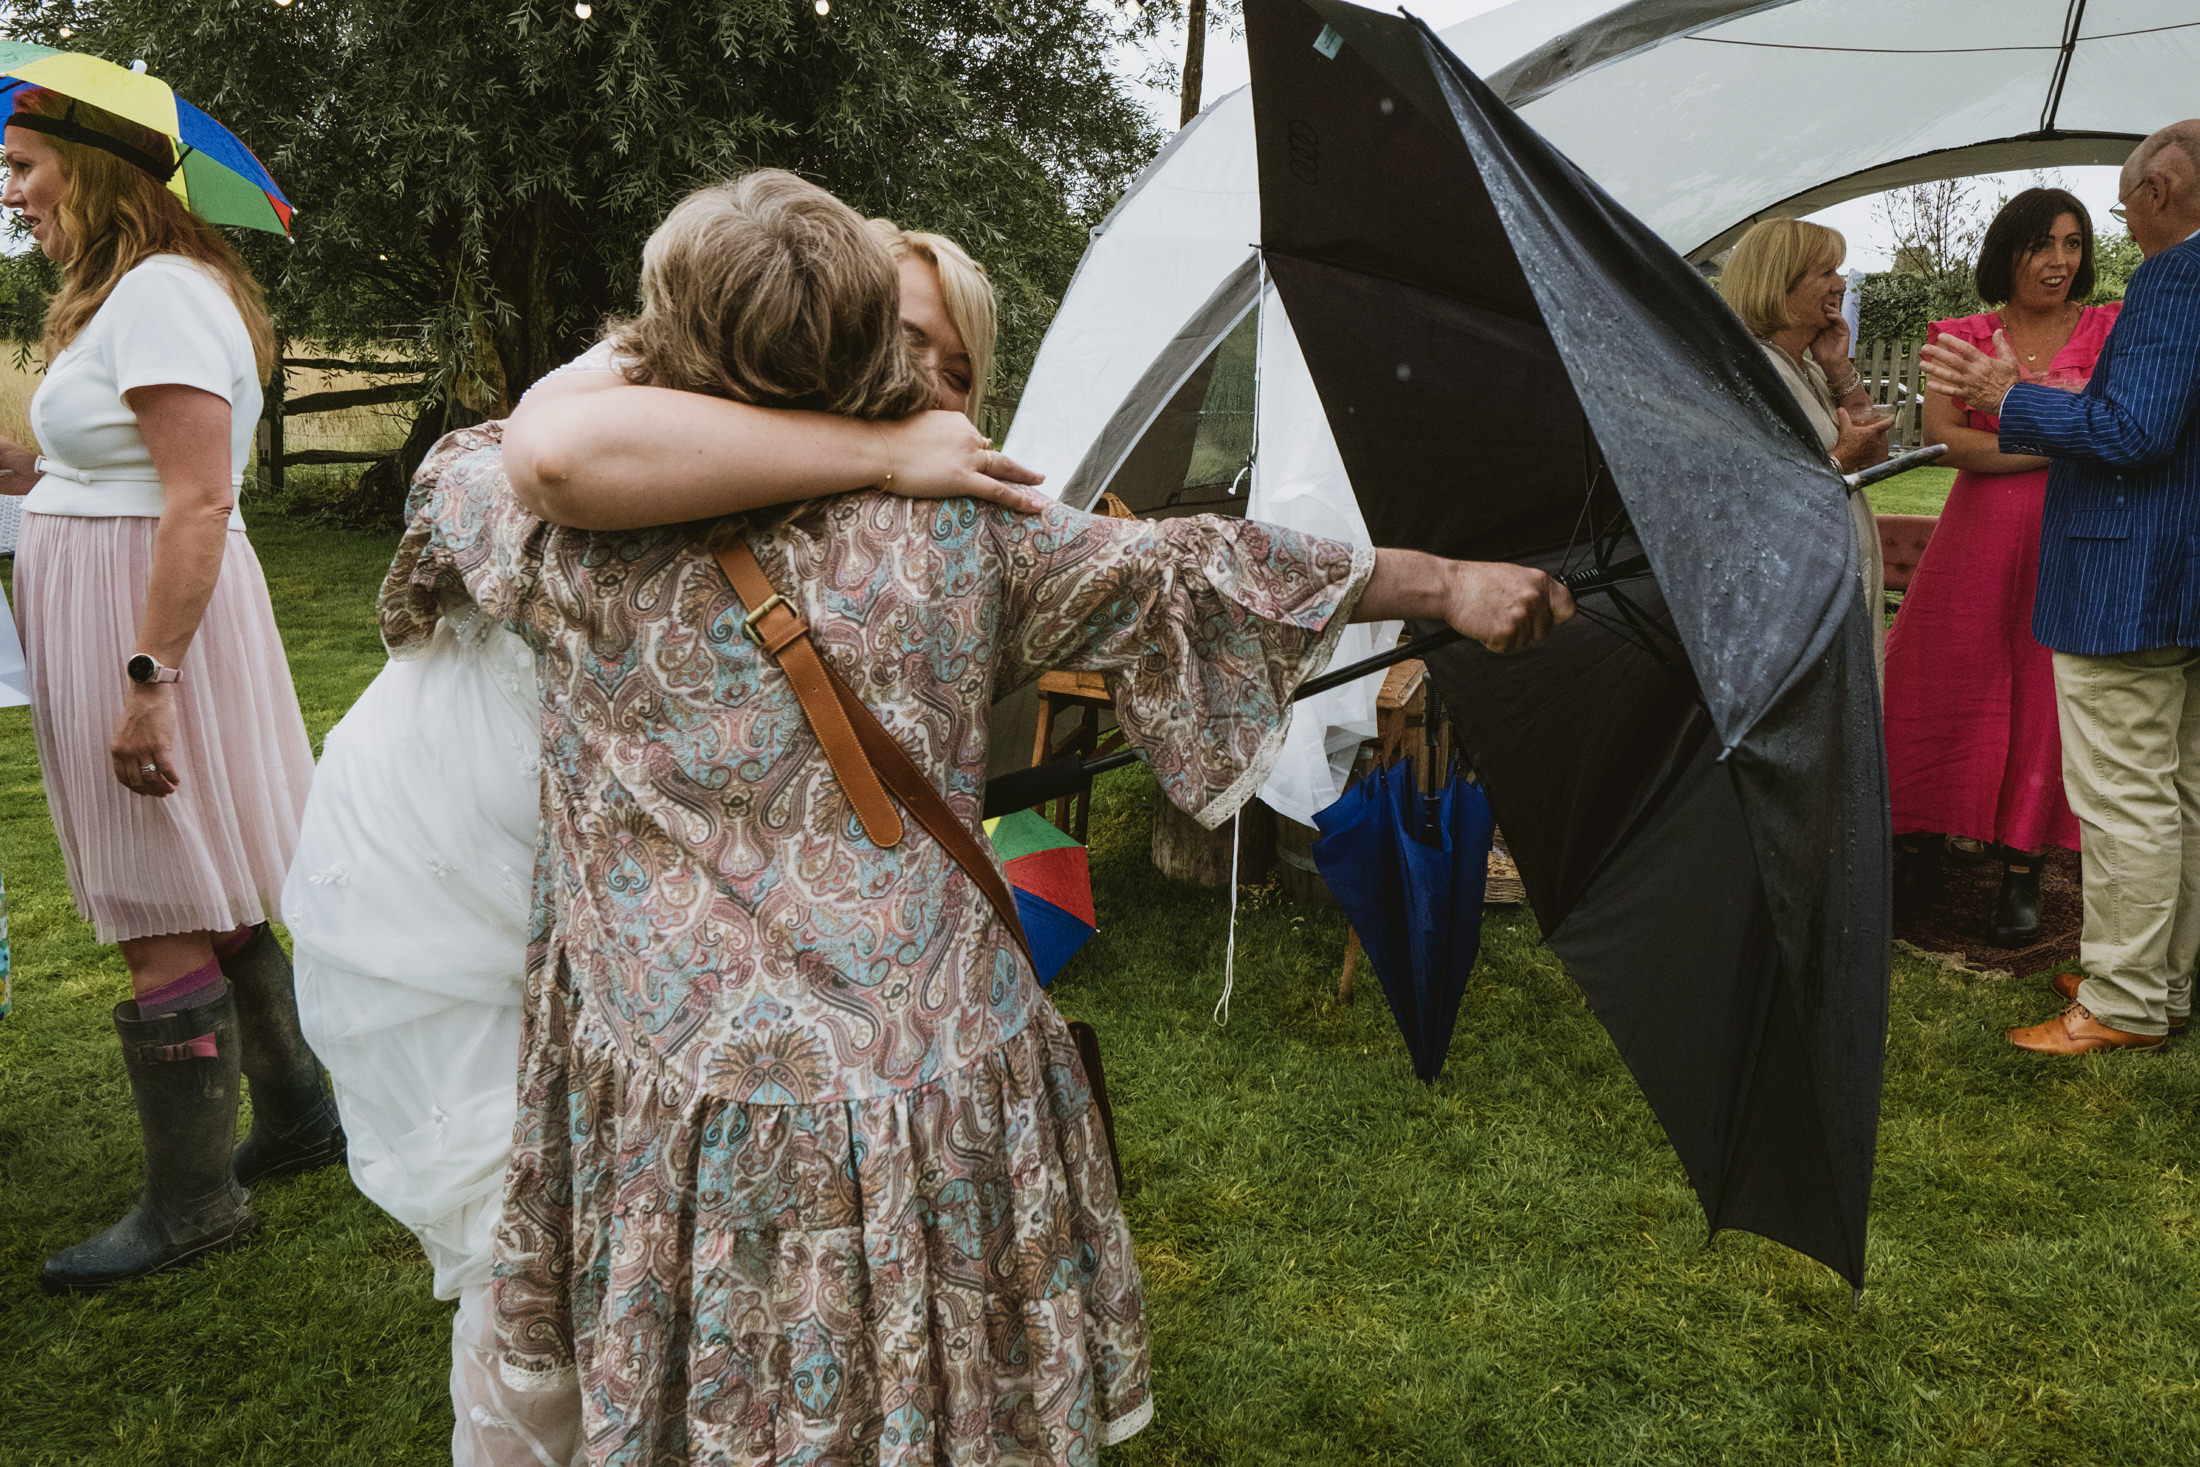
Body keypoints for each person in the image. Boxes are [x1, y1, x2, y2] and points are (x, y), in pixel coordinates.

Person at [389, 169, 1571, 1464]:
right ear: (865, 350)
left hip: (686, 1078)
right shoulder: (972, 535)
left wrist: (662, 338)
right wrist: (1447, 582)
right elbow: (1210, 564)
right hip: (932, 1079)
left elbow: (537, 438)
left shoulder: (538, 530)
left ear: (666, 348)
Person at [286, 212, 1043, 1467]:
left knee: (630, 1178)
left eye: (950, 370)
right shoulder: (609, 463)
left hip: (653, 902)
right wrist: (879, 451)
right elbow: (558, 457)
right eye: (892, 344)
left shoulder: (928, 523)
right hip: (475, 864)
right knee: (530, 1186)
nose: (918, 389)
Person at [0, 89, 342, 1293]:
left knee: (158, 900)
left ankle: (194, 1203)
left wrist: (149, 684)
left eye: (26, 164)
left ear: (93, 171)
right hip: (126, 606)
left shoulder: (157, 295)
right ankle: (300, 1114)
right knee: (198, 876)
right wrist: (33, 467)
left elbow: (197, 500)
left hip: (148, 626)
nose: (10, 190)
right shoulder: (133, 296)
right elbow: (137, 462)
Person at [1923, 121, 2200, 1055]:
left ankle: (2122, 1001)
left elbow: (2134, 432)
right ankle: (2160, 981)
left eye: (2120, 208)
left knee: (2127, 797)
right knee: (2179, 791)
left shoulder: (2174, 279)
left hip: (2129, 577)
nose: (2117, 228)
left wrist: (2013, 394)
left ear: (2160, 192)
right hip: (2182, 575)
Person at [1885, 189, 2120, 945]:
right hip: (1973, 544)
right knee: (1939, 683)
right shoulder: (1960, 334)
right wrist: (2060, 440)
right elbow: (1949, 443)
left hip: (2070, 542)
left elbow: (2123, 425)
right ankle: (1917, 843)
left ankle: (2022, 865)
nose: (2060, 261)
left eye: (2073, 243)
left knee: (2047, 694)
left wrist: (2018, 425)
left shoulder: (2111, 328)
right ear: (2006, 252)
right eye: (2040, 245)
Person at [1719, 218, 1895, 670]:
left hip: (1836, 574)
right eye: (1826, 273)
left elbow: (1873, 455)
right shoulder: (1753, 374)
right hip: (1797, 591)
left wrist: (1838, 368)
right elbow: (1755, 492)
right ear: (1779, 283)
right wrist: (1839, 461)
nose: (1840, 283)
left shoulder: (1809, 368)